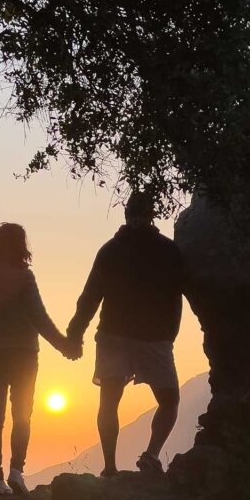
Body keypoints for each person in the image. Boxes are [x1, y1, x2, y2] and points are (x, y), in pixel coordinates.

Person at [66, 192, 199, 477]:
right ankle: (150, 455)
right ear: (152, 215)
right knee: (169, 401)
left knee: (109, 402)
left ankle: (110, 467)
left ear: (126, 215)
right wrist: (171, 332)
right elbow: (183, 292)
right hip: (154, 338)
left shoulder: (110, 251)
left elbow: (89, 297)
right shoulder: (168, 251)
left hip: (114, 335)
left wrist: (75, 334)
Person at [0, 223, 76, 496]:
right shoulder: (24, 278)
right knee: (22, 416)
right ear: (20, 246)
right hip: (23, 356)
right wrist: (64, 345)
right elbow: (38, 317)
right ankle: (16, 472)